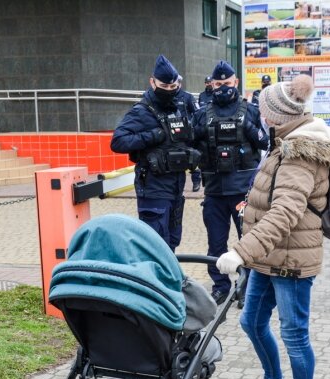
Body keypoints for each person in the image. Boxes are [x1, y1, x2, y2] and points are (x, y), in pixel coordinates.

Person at [214, 74, 330, 379]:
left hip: (291, 262)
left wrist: (240, 252)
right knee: (252, 322)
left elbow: (285, 213)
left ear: (277, 115)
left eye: (262, 107)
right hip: (269, 256)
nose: (258, 112)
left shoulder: (300, 152)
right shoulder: (285, 142)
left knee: (294, 335)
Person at [192, 60, 268, 304]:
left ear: (235, 82)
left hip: (243, 192)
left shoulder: (251, 111)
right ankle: (220, 286)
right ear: (211, 85)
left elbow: (266, 143)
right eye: (218, 84)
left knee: (246, 241)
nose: (223, 87)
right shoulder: (202, 114)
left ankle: (245, 287)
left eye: (227, 83)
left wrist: (247, 128)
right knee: (216, 243)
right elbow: (190, 145)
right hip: (214, 192)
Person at [110, 55, 201, 251]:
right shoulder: (142, 111)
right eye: (164, 86)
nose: (169, 91)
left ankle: (169, 280)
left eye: (172, 87)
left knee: (172, 242)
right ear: (152, 82)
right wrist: (153, 135)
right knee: (154, 245)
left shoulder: (180, 108)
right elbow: (118, 141)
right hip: (153, 187)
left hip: (176, 185)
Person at [175, 75, 202, 192]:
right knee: (176, 160)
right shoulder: (166, 98)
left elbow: (198, 113)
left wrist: (191, 125)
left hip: (186, 134)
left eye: (177, 83)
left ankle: (196, 181)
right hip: (173, 135)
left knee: (191, 158)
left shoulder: (187, 97)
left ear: (180, 84)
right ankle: (177, 185)